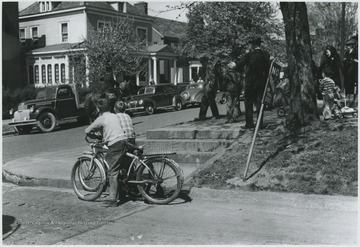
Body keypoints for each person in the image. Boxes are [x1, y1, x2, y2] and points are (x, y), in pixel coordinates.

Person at [85, 98, 128, 207]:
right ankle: (121, 192)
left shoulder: (101, 118)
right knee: (119, 167)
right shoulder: (114, 115)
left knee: (112, 171)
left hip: (115, 144)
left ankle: (113, 200)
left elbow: (87, 131)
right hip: (123, 141)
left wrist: (93, 135)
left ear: (98, 108)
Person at [236, 37, 270, 129]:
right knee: (259, 103)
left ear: (253, 45)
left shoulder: (249, 55)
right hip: (261, 83)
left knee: (248, 103)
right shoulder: (265, 55)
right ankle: (260, 123)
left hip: (250, 83)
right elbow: (268, 69)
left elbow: (238, 66)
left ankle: (249, 123)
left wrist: (244, 71)